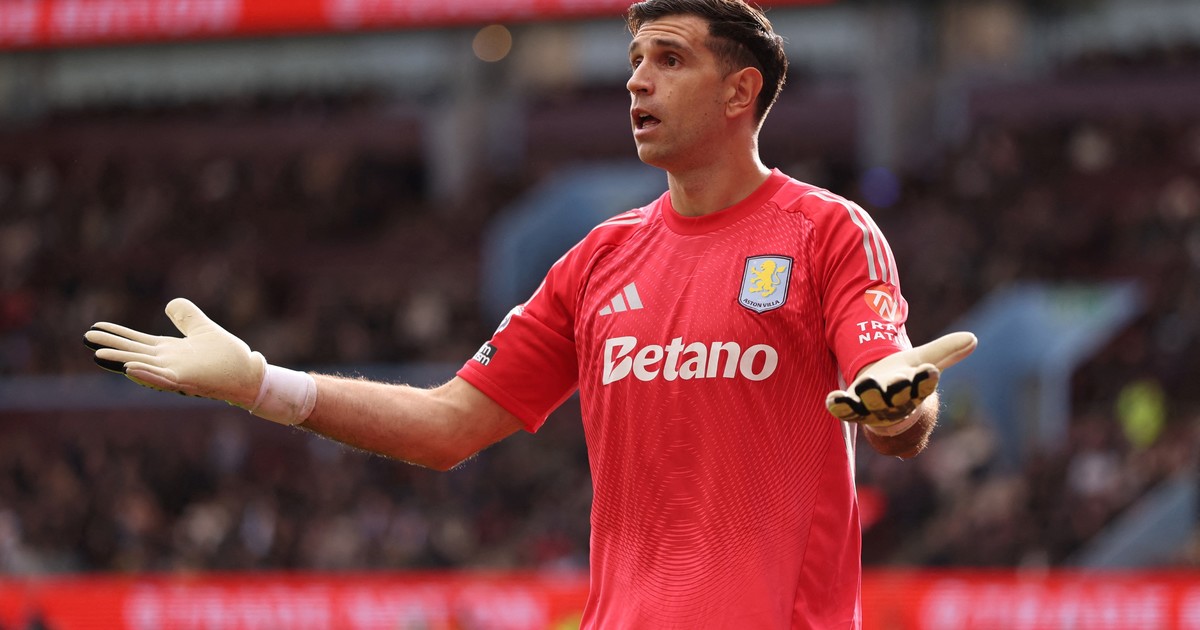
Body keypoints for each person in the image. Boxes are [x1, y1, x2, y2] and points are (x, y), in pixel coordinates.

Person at [84, 0, 977, 627]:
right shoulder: (597, 261)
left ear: (741, 92)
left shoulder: (825, 232)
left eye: (669, 60)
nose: (638, 82)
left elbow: (887, 383)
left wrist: (900, 407)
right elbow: (447, 427)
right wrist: (260, 384)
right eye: (635, 62)